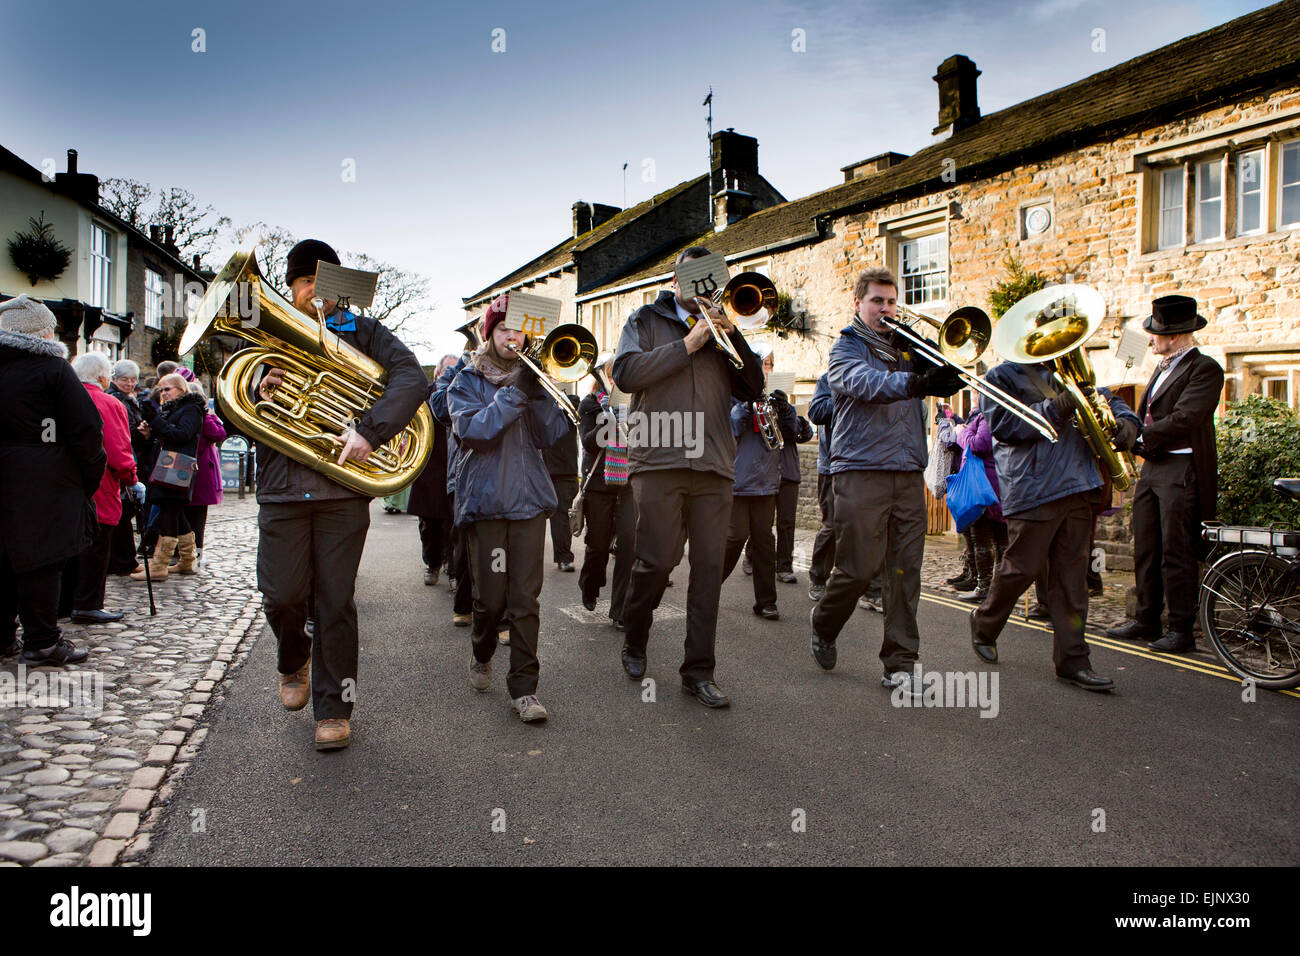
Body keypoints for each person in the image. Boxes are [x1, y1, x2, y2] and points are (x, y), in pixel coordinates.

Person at [254, 239, 428, 750]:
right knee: (281, 595)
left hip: (341, 490)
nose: (314, 294)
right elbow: (229, 409)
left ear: (339, 288)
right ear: (290, 288)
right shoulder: (264, 333)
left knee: (335, 601)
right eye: (304, 284)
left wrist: (370, 431)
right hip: (282, 489)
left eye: (322, 284)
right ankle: (293, 659)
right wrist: (264, 386)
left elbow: (411, 378)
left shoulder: (366, 332)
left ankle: (334, 708)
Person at [611, 246, 765, 708]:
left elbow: (753, 386)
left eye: (712, 279)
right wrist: (688, 344)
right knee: (656, 561)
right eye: (696, 280)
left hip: (715, 464)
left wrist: (731, 336)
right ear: (676, 281)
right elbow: (626, 373)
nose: (704, 290)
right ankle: (635, 638)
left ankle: (698, 671)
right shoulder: (644, 320)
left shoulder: (724, 327)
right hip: (658, 458)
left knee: (707, 572)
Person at [809, 268, 962, 696]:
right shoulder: (845, 348)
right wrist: (916, 381)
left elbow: (952, 366)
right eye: (877, 301)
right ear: (858, 304)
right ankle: (824, 621)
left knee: (904, 570)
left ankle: (900, 663)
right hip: (859, 469)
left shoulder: (907, 347)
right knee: (858, 568)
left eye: (892, 302)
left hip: (907, 470)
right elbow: (863, 382)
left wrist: (935, 359)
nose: (886, 309)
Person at [969, 344, 1141, 690]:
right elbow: (1005, 425)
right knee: (1022, 568)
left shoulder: (1072, 372)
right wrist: (1058, 406)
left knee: (1072, 579)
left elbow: (1105, 397)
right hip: (1033, 489)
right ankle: (984, 623)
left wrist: (1127, 423)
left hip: (1079, 485)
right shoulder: (1001, 376)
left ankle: (1073, 660)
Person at [447, 294, 570, 723]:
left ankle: (524, 689)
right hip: (485, 504)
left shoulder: (532, 379)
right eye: (502, 329)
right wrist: (517, 393)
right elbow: (477, 431)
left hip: (529, 504)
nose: (511, 336)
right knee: (491, 598)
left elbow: (551, 434)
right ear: (489, 333)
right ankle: (482, 651)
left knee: (525, 599)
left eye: (517, 330)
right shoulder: (465, 381)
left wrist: (537, 394)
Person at [1105, 295, 1223, 654]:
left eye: (1155, 333)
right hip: (1154, 466)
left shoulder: (1205, 369)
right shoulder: (1162, 367)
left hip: (1182, 468)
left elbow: (1187, 416)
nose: (1150, 338)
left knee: (1177, 551)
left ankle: (1181, 630)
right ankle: (1146, 619)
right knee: (1146, 546)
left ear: (1174, 336)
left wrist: (1140, 435)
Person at [0, 295, 104, 666]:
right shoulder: (52, 370)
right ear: (41, 332)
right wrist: (86, 477)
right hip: (44, 481)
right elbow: (87, 429)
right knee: (41, 562)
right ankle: (42, 640)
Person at [61, 353, 137, 625]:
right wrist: (131, 478)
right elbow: (118, 451)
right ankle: (88, 603)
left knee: (67, 546)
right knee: (96, 545)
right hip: (99, 485)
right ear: (103, 377)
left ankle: (64, 602)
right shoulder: (108, 403)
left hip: (62, 486)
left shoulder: (59, 398)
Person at [721, 351, 794, 620]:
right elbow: (729, 429)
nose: (765, 370)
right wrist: (744, 405)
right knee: (735, 538)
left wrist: (786, 411)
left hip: (766, 483)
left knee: (764, 542)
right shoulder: (731, 396)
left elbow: (797, 431)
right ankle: (707, 588)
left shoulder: (772, 399)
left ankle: (766, 602)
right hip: (738, 483)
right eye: (762, 365)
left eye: (769, 365)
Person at [578, 355, 635, 629]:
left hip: (629, 484)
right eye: (612, 377)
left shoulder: (637, 405)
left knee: (628, 547)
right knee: (598, 546)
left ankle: (620, 610)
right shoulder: (589, 405)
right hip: (599, 484)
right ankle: (590, 585)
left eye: (620, 377)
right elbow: (589, 444)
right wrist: (608, 421)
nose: (616, 383)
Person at [131, 373, 205, 581]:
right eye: (161, 390)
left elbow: (182, 435)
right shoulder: (172, 409)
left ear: (181, 389)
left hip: (177, 467)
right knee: (176, 513)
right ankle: (188, 561)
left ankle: (160, 564)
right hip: (167, 466)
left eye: (168, 389)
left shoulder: (191, 409)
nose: (163, 393)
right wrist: (149, 432)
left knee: (169, 513)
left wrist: (156, 421)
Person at [431, 339, 475, 627]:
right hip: (460, 474)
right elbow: (440, 404)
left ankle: (503, 618)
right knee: (464, 545)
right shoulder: (458, 375)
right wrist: (462, 364)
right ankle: (464, 605)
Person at [950, 401, 1007, 603]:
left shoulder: (986, 416)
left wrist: (961, 432)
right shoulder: (1000, 413)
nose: (974, 398)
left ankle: (985, 587)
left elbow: (979, 445)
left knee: (982, 536)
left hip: (983, 484)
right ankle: (1000, 589)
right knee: (1001, 539)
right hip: (997, 482)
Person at [408, 355, 457, 587]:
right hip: (429, 465)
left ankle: (450, 562)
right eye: (447, 371)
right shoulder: (425, 393)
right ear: (438, 373)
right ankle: (432, 563)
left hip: (452, 463)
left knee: (452, 520)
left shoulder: (461, 390)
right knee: (429, 523)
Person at [106, 359, 146, 576]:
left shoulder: (130, 398)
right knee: (122, 513)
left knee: (124, 513)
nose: (129, 383)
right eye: (125, 380)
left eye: (132, 380)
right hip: (123, 461)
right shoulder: (116, 399)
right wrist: (141, 432)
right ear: (114, 379)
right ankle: (123, 560)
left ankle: (121, 559)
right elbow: (122, 434)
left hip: (131, 458)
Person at [187, 380, 227, 568]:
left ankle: (189, 551)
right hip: (200, 470)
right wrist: (210, 416)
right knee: (197, 516)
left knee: (190, 513)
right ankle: (195, 551)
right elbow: (219, 434)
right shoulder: (203, 418)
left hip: (193, 471)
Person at [543, 393, 580, 572]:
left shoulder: (569, 404)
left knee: (564, 516)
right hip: (547, 469)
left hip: (566, 470)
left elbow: (575, 405)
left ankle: (564, 556)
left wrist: (557, 397)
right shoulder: (542, 403)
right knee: (553, 517)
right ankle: (562, 557)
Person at [806, 374, 835, 602]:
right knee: (832, 526)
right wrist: (846, 392)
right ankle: (818, 578)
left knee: (869, 527)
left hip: (864, 465)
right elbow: (816, 413)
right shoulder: (828, 379)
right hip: (832, 467)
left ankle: (872, 589)